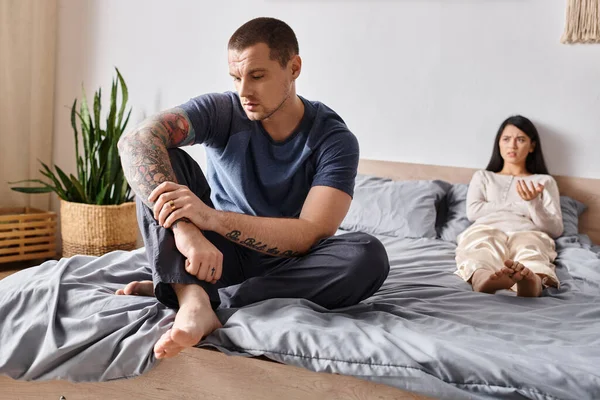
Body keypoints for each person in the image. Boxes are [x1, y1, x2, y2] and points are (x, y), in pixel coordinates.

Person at [115, 17, 390, 359]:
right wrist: (187, 231)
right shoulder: (222, 111)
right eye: (236, 77)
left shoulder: (334, 140)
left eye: (257, 76)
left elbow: (310, 233)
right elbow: (136, 141)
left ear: (294, 68)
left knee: (368, 255)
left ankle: (189, 288)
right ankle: (192, 298)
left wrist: (211, 219)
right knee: (157, 162)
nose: (244, 91)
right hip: (215, 254)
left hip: (288, 265)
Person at [455, 115, 563, 297]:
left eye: (520, 139)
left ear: (532, 146)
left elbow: (555, 229)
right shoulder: (483, 177)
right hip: (486, 227)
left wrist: (534, 203)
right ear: (499, 143)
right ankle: (482, 279)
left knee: (532, 249)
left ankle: (531, 281)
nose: (512, 145)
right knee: (481, 247)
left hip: (528, 230)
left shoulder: (544, 181)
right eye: (506, 139)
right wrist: (523, 206)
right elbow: (474, 212)